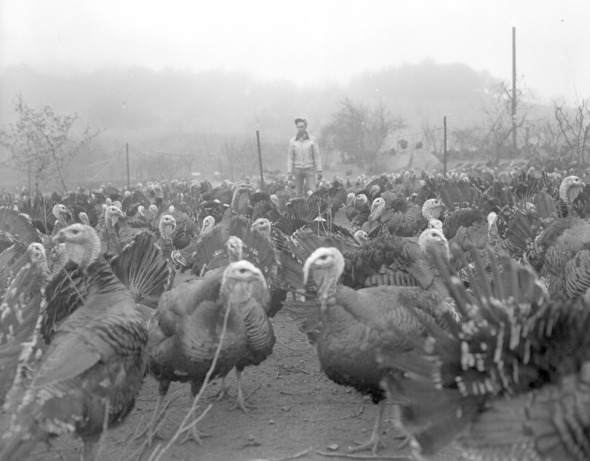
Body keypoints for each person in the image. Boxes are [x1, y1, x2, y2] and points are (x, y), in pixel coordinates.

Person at [287, 118, 323, 197]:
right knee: (298, 193)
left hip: (309, 168)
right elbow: (290, 157)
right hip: (297, 169)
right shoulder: (293, 141)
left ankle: (314, 208)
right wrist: (289, 171)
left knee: (313, 191)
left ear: (306, 127)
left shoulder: (312, 140)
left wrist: (319, 170)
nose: (300, 129)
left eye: (301, 127)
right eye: (298, 127)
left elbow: (316, 156)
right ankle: (300, 208)